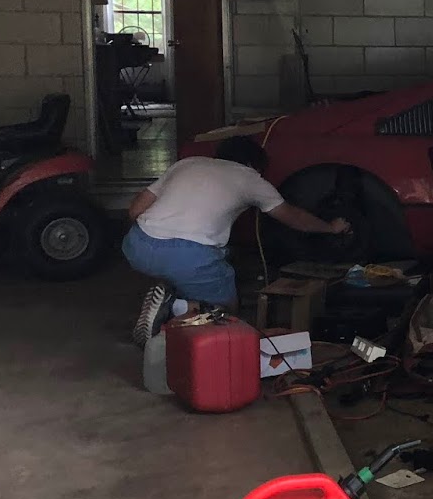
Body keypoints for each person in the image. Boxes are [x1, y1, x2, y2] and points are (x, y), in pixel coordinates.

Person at [123, 135, 349, 343]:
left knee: (207, 263)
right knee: (225, 312)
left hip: (137, 245)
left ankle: (168, 299)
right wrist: (331, 227)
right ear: (253, 164)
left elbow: (135, 210)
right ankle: (174, 307)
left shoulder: (187, 163)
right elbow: (293, 217)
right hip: (189, 257)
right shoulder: (250, 178)